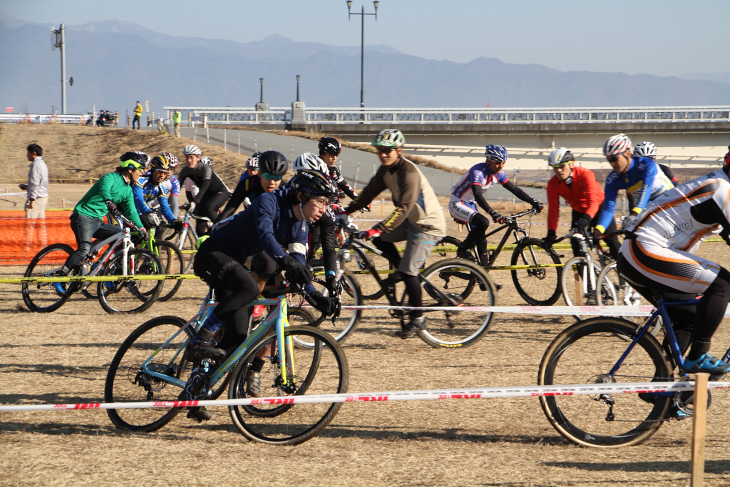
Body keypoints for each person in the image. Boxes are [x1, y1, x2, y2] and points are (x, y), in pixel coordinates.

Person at [188, 164, 337, 417]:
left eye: (327, 203)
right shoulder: (270, 201)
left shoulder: (300, 224)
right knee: (247, 287)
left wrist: (315, 295)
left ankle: (195, 394)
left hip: (236, 263)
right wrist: (284, 260)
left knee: (236, 338)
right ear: (301, 195)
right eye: (321, 201)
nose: (325, 209)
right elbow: (266, 235)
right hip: (214, 253)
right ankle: (199, 339)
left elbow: (299, 261)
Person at [616, 156, 730, 375]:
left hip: (639, 253)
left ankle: (663, 390)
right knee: (722, 285)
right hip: (643, 251)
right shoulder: (721, 190)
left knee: (688, 317)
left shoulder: (718, 187)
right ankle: (698, 356)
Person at [340, 129, 447, 338]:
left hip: (428, 226)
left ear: (399, 150)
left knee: (409, 272)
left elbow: (404, 207)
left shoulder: (409, 173)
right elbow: (368, 194)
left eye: (388, 150)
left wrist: (378, 227)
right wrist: (346, 211)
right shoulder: (385, 171)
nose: (383, 154)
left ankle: (418, 319)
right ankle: (401, 270)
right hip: (411, 221)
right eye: (380, 150)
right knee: (381, 241)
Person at [56, 152, 148, 291]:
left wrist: (141, 228)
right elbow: (105, 189)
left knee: (122, 238)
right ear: (130, 168)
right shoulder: (111, 177)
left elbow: (131, 211)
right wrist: (108, 200)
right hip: (82, 215)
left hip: (97, 221)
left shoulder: (128, 190)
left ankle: (105, 272)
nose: (141, 173)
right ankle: (61, 277)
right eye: (140, 169)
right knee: (84, 249)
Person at [448, 144, 543, 263]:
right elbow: (478, 194)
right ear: (488, 160)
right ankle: (462, 249)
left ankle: (484, 279)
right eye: (498, 162)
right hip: (457, 203)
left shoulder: (498, 174)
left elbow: (515, 189)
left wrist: (532, 201)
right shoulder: (477, 172)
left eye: (503, 162)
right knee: (483, 222)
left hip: (470, 203)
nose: (501, 166)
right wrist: (492, 212)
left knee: (482, 241)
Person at [543, 147, 620, 259]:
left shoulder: (585, 174)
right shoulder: (553, 184)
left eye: (561, 166)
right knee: (575, 243)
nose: (558, 170)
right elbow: (553, 211)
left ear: (571, 164)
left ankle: (624, 270)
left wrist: (587, 218)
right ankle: (584, 272)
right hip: (579, 211)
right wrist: (551, 232)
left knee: (611, 241)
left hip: (599, 208)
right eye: (555, 168)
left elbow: (592, 202)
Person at [595, 134, 673, 238]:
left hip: (672, 202)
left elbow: (646, 189)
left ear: (627, 153)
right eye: (609, 160)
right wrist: (599, 229)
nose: (612, 163)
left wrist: (635, 214)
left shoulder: (646, 164)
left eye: (614, 158)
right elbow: (609, 208)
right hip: (649, 208)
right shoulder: (613, 179)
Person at [216, 152, 286, 223]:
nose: (272, 182)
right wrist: (213, 229)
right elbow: (230, 208)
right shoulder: (248, 183)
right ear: (259, 173)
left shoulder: (285, 190)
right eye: (267, 176)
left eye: (277, 177)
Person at [177, 145, 231, 236]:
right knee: (199, 218)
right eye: (186, 158)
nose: (189, 160)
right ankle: (203, 242)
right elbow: (177, 188)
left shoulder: (205, 168)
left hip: (221, 192)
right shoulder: (185, 170)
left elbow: (203, 188)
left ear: (198, 157)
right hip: (207, 194)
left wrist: (194, 201)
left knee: (208, 207)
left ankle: (226, 231)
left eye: (191, 157)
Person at [132, 155, 181, 231]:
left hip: (139, 211)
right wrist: (148, 212)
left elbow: (165, 207)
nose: (162, 175)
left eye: (165, 172)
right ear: (153, 169)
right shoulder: (141, 181)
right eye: (160, 171)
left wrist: (173, 221)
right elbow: (138, 199)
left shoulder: (161, 189)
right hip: (126, 209)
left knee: (160, 229)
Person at [19, 143, 49, 219]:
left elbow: (35, 183)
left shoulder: (35, 164)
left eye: (28, 152)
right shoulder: (42, 163)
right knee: (40, 227)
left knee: (30, 226)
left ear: (34, 153)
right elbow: (41, 182)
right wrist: (27, 187)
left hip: (36, 199)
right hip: (42, 197)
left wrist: (32, 199)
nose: (27, 155)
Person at [159, 152, 181, 218]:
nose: (169, 172)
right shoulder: (151, 176)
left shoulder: (174, 182)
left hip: (158, 208)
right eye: (167, 168)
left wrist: (174, 221)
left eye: (171, 169)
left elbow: (174, 203)